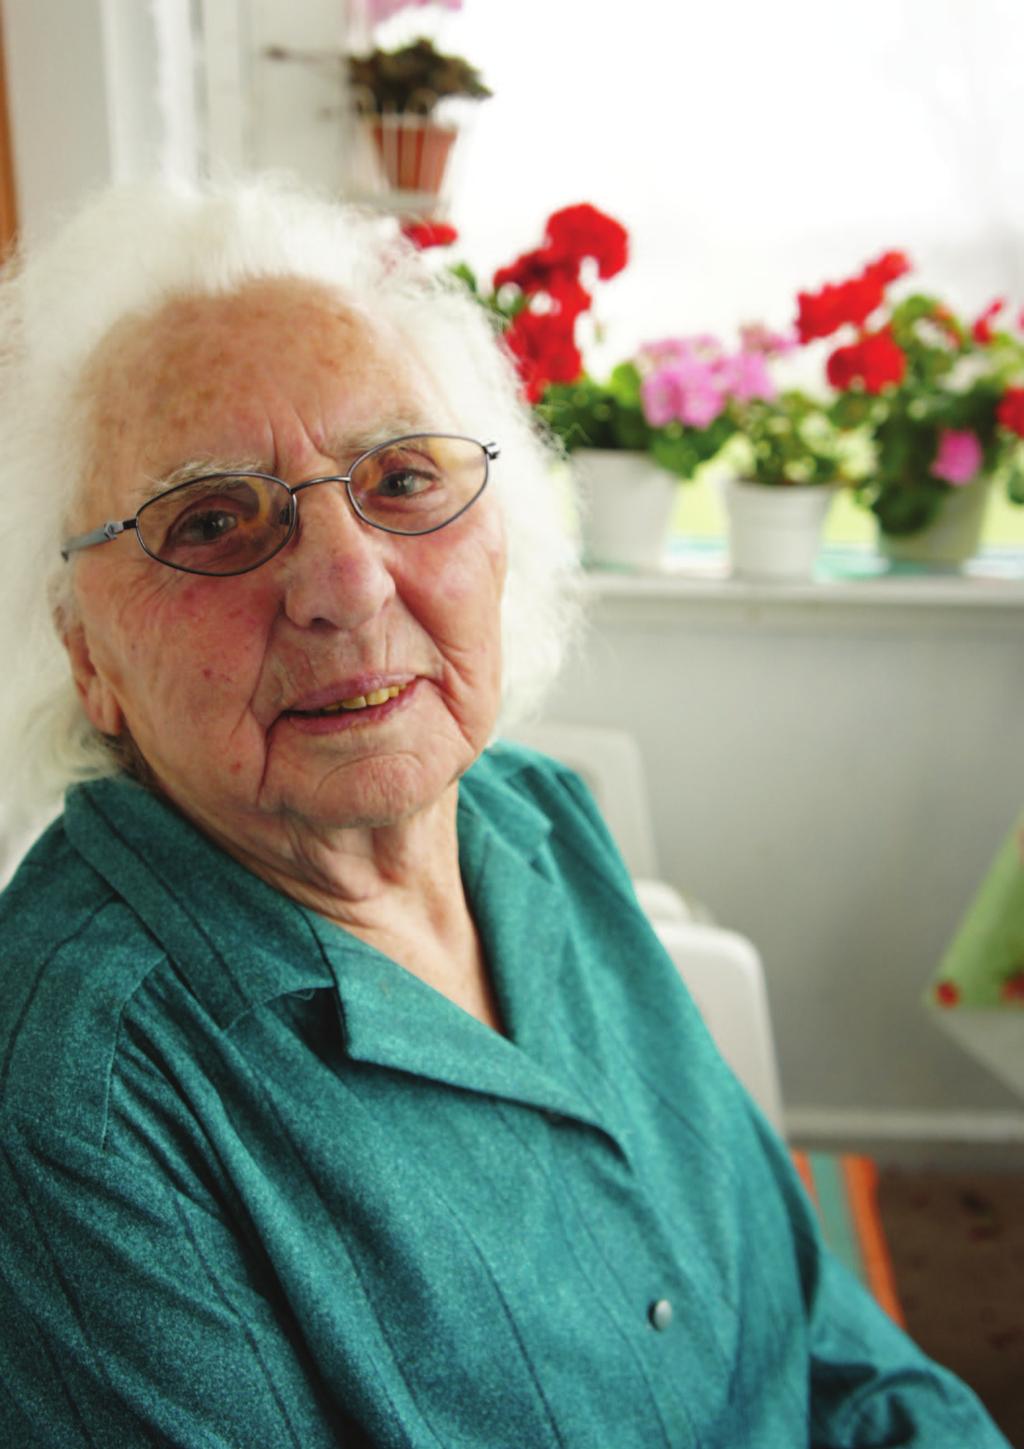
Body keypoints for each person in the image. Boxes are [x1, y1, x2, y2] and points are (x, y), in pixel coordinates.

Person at [0, 178, 1009, 1449]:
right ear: (87, 655)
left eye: (402, 477)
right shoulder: (78, 1097)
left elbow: (810, 1326)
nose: (346, 582)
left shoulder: (536, 819)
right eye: (211, 521)